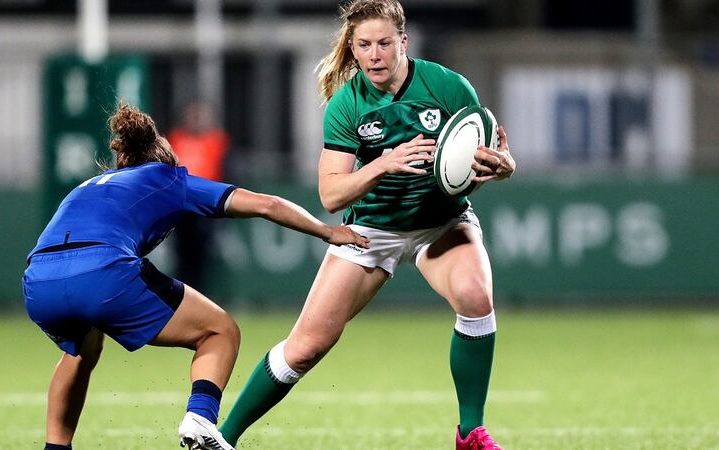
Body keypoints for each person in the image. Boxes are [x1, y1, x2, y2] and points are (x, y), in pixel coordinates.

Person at [218, 1, 516, 449]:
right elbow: (331, 195)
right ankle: (221, 438)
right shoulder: (346, 105)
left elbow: (480, 157)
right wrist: (384, 164)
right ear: (352, 49)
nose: (375, 54)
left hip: (441, 222)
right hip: (370, 231)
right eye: (364, 45)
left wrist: (503, 166)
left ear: (403, 42)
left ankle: (470, 432)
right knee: (305, 348)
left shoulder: (448, 86)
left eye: (383, 43)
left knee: (476, 297)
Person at [22, 103, 369, 450]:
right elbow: (268, 204)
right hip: (101, 272)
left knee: (81, 352)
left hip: (39, 282)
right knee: (220, 330)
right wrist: (327, 231)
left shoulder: (87, 185)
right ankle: (200, 420)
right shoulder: (167, 177)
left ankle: (55, 448)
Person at [167, 101, 230, 289]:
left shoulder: (217, 142)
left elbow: (225, 171)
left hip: (206, 207)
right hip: (180, 208)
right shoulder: (175, 139)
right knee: (182, 257)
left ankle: (200, 298)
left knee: (202, 259)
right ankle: (181, 296)